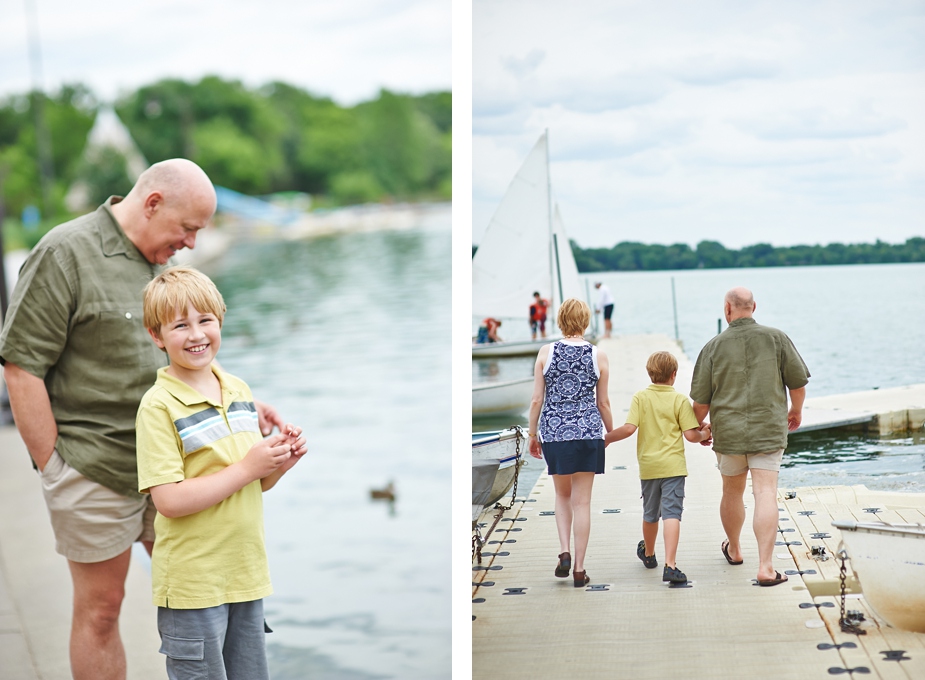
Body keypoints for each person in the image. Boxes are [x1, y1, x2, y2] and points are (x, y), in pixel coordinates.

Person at [0, 158, 285, 680]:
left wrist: (237, 402)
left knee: (204, 601)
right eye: (188, 228)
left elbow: (189, 345)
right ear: (153, 204)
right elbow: (21, 365)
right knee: (102, 610)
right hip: (94, 467)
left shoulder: (166, 262)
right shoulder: (64, 252)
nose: (193, 243)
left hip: (184, 466)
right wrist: (53, 468)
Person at [136, 266, 306, 679]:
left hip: (245, 575)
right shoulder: (158, 407)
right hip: (194, 586)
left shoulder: (237, 390)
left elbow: (252, 484)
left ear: (220, 320)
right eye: (180, 325)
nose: (196, 335)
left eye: (205, 320)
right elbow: (169, 500)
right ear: (157, 336)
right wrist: (248, 466)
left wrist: (280, 463)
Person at [690, 287, 809, 587]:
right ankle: (766, 567)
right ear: (753, 307)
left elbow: (700, 403)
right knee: (765, 493)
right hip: (768, 430)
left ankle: (735, 549)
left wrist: (699, 428)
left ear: (727, 309)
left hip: (728, 433)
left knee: (732, 492)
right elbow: (797, 384)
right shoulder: (777, 338)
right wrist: (796, 410)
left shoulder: (713, 347)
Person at [605, 351, 712, 584]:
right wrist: (705, 433)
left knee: (650, 513)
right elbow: (690, 435)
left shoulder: (640, 398)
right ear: (674, 375)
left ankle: (650, 554)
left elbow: (629, 429)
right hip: (673, 467)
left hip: (649, 467)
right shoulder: (680, 400)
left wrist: (606, 439)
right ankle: (670, 565)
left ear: (649, 373)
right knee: (672, 513)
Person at [527, 298, 612, 587]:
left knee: (562, 496)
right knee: (583, 502)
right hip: (588, 433)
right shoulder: (597, 355)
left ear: (560, 320)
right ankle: (579, 568)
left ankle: (563, 551)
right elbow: (603, 402)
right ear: (586, 321)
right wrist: (609, 432)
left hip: (555, 433)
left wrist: (532, 434)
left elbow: (537, 399)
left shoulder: (545, 352)